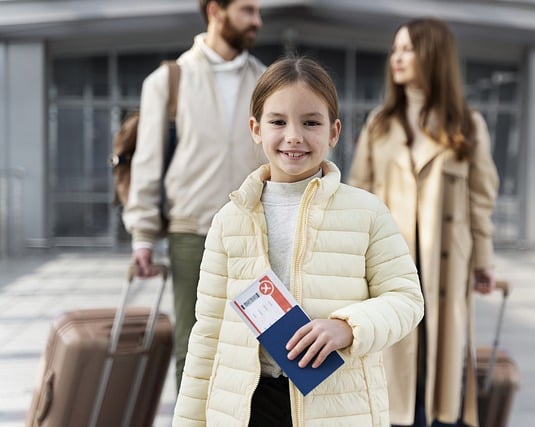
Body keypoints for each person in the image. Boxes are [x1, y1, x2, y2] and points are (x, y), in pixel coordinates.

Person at [171, 57, 424, 427]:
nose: (294, 136)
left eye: (311, 122)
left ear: (334, 132)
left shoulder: (367, 213)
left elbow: (407, 299)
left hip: (336, 405)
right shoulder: (230, 220)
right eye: (278, 122)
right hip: (248, 406)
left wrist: (348, 326)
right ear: (255, 129)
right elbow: (207, 335)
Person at [348, 18, 500, 427]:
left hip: (445, 268)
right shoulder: (379, 125)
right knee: (393, 367)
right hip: (389, 265)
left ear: (432, 55)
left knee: (439, 366)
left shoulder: (468, 126)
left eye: (407, 49)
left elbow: (480, 199)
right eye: (395, 49)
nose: (396, 58)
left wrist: (483, 261)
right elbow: (356, 195)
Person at [122, 0, 266, 391]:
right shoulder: (169, 80)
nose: (258, 20)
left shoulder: (266, 80)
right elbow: (148, 163)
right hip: (192, 232)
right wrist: (143, 235)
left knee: (259, 349)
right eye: (248, 10)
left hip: (255, 233)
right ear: (216, 11)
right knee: (194, 347)